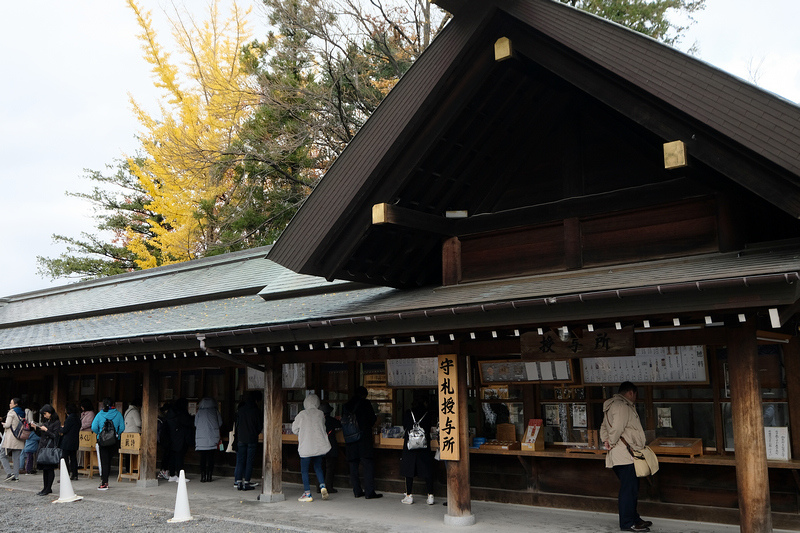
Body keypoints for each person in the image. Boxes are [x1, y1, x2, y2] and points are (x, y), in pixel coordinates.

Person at [601, 382, 653, 533]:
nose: (636, 398)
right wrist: (610, 441)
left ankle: (634, 518)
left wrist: (606, 440)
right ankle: (627, 523)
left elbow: (604, 426)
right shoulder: (623, 406)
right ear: (631, 393)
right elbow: (617, 428)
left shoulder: (611, 405)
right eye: (636, 394)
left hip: (621, 454)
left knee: (631, 488)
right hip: (625, 455)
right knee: (628, 489)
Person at [343, 386, 382, 499]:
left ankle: (357, 491)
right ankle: (369, 492)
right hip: (363, 438)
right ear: (364, 395)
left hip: (350, 439)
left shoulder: (346, 405)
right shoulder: (365, 404)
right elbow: (371, 420)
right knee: (368, 464)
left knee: (353, 466)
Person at [292, 393, 330, 502]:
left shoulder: (302, 414)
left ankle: (307, 494)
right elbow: (323, 426)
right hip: (318, 446)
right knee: (318, 467)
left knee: (304, 471)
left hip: (306, 447)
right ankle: (323, 486)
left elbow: (294, 429)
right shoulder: (320, 414)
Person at [400, 397, 435, 505]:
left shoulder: (408, 413)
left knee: (409, 470)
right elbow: (429, 428)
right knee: (427, 469)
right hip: (423, 445)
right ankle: (430, 495)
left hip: (410, 446)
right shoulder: (427, 414)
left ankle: (409, 495)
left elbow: (405, 426)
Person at [91, 397, 125, 491]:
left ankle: (104, 482)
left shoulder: (99, 414)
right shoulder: (118, 414)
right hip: (114, 440)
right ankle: (106, 481)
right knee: (109, 461)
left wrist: (99, 433)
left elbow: (93, 427)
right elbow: (122, 427)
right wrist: (116, 433)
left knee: (104, 462)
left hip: (102, 440)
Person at [234, 391, 263, 491]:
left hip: (241, 438)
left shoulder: (240, 410)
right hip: (252, 438)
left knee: (240, 460)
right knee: (249, 461)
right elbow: (259, 426)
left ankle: (237, 481)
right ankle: (246, 481)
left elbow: (236, 424)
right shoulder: (256, 410)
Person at [32, 404, 60, 496]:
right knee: (44, 469)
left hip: (50, 448)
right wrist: (35, 429)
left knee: (50, 468)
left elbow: (55, 436)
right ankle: (45, 488)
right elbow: (41, 434)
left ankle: (48, 488)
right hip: (43, 447)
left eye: (45, 414)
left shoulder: (56, 423)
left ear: (49, 412)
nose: (44, 416)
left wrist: (46, 430)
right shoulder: (46, 422)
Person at [166, 398, 194, 482]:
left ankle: (172, 475)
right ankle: (180, 475)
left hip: (171, 437)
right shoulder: (182, 413)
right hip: (181, 438)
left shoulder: (170, 413)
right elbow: (188, 422)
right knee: (179, 457)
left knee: (172, 456)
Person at [194, 397, 222, 482]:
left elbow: (195, 423)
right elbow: (220, 423)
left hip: (201, 440)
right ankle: (209, 476)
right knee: (211, 458)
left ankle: (203, 476)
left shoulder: (199, 412)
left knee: (202, 459)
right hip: (212, 438)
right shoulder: (215, 411)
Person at [318, 401, 341, 494]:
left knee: (320, 467)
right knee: (330, 468)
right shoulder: (331, 420)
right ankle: (328, 487)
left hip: (320, 446)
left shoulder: (318, 420)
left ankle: (319, 486)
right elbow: (340, 425)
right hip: (330, 446)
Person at [1, 397, 25, 482]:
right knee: (16, 458)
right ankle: (16, 476)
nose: (9, 404)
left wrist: (3, 424)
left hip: (11, 438)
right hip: (19, 438)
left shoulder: (11, 412)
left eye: (11, 403)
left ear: (15, 404)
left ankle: (9, 473)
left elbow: (7, 425)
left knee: (2, 454)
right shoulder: (22, 412)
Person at [59, 403, 81, 480]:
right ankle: (75, 474)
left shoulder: (70, 418)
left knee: (65, 458)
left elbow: (65, 430)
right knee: (73, 458)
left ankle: (66, 475)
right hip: (75, 440)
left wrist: (60, 428)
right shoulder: (77, 418)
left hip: (67, 441)